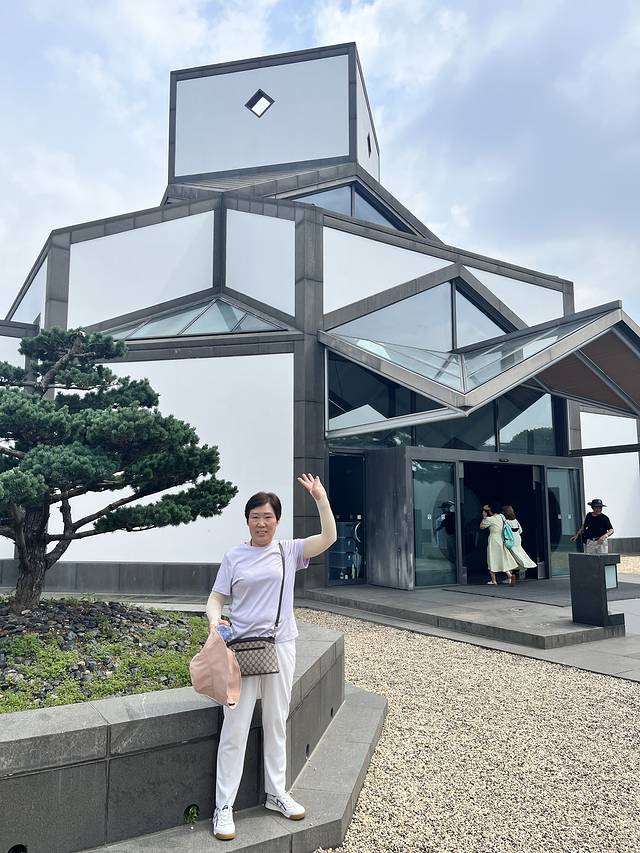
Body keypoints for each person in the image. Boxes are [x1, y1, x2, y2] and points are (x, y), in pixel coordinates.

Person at [206, 474, 337, 842]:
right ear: (247, 520)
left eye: (268, 517)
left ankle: (276, 793)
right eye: (255, 517)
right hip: (242, 650)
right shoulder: (234, 556)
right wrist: (215, 621)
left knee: (277, 721)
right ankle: (223, 806)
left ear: (277, 521)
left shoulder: (288, 551)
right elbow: (216, 598)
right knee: (235, 726)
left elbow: (328, 538)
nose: (261, 523)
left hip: (280, 645)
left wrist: (320, 498)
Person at [480, 503, 518, 584]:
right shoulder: (501, 516)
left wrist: (484, 517)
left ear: (490, 511)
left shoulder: (490, 519)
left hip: (493, 540)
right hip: (502, 539)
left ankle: (494, 580)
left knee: (492, 558)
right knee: (502, 558)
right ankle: (509, 576)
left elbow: (482, 526)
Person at [501, 505, 536, 581]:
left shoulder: (506, 522)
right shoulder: (515, 520)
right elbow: (520, 530)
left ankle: (510, 577)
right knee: (520, 554)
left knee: (509, 558)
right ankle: (523, 567)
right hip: (518, 541)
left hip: (510, 541)